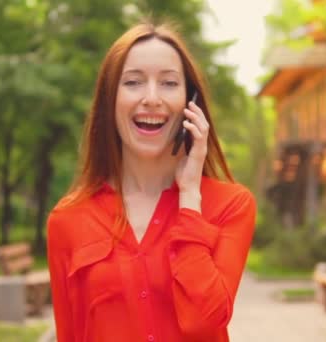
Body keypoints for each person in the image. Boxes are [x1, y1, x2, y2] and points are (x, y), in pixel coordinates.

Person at [46, 20, 257, 342]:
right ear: (109, 100)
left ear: (192, 103)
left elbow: (205, 322)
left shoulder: (231, 206)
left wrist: (189, 197)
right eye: (133, 82)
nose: (152, 98)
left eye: (169, 83)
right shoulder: (67, 219)